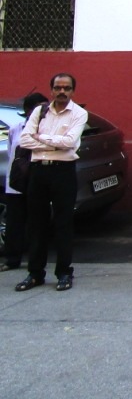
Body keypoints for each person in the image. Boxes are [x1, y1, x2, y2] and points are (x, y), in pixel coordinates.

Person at [14, 73, 87, 292]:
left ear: (73, 91)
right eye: (58, 87)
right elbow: (24, 140)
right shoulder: (40, 111)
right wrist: (54, 144)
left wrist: (41, 139)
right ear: (51, 90)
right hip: (38, 171)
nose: (62, 91)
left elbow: (70, 142)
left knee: (64, 223)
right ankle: (35, 273)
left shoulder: (79, 113)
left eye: (66, 88)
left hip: (63, 172)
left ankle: (64, 272)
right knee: (36, 223)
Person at [2, 92, 50, 273]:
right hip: (16, 183)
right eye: (40, 108)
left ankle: (36, 260)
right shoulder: (16, 129)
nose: (45, 112)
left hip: (38, 182)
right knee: (15, 222)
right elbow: (11, 153)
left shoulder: (47, 130)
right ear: (29, 111)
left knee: (37, 222)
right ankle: (12, 258)